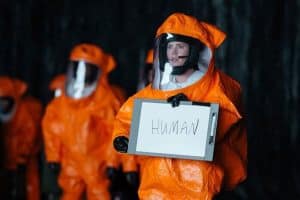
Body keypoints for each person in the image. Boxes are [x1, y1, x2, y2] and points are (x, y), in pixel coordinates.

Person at [113, 13, 247, 199]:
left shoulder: (218, 88)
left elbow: (223, 123)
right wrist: (123, 138)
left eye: (180, 46)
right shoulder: (154, 93)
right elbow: (126, 118)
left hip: (196, 180)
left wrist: (190, 110)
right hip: (157, 178)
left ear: (193, 50)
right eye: (170, 47)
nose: (174, 53)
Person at [42, 43, 123, 200]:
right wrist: (53, 156)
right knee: (70, 194)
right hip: (70, 161)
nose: (81, 75)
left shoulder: (105, 101)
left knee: (99, 194)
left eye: (87, 70)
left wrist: (112, 162)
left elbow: (116, 132)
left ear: (98, 73)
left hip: (96, 163)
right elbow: (51, 130)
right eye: (77, 68)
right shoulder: (59, 104)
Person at [0, 76, 43, 200]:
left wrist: (22, 155)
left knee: (26, 187)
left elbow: (30, 136)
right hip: (5, 159)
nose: (2, 105)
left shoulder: (27, 111)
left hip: (24, 160)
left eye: (4, 101)